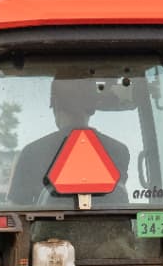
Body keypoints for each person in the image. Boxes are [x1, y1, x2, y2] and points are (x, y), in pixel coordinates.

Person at [8, 76, 133, 205]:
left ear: (55, 104)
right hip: (110, 226)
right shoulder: (119, 151)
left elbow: (17, 212)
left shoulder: (32, 153)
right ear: (92, 108)